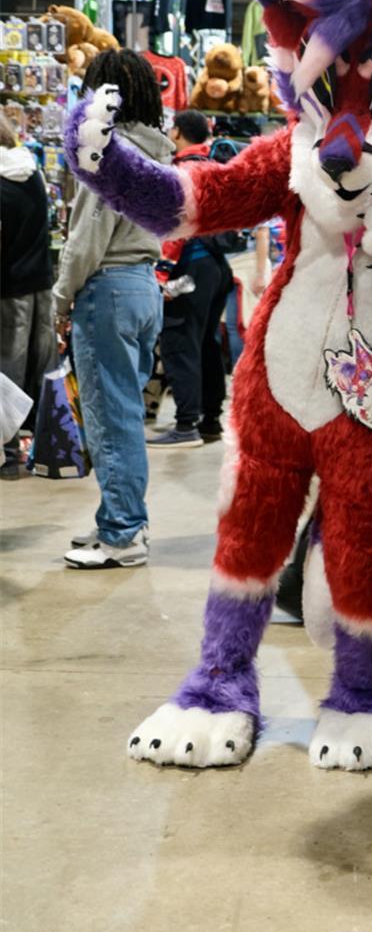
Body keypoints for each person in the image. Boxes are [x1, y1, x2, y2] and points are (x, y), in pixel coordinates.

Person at [55, 49, 166, 568]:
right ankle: (122, 521)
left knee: (110, 419)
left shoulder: (107, 151)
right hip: (143, 285)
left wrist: (61, 298)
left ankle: (122, 534)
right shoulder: (158, 152)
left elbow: (86, 240)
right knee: (123, 415)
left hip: (108, 289)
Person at [147, 108, 234, 447]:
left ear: (178, 133)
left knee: (179, 340)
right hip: (216, 267)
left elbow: (175, 228)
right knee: (208, 342)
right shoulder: (214, 167)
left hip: (189, 268)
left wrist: (161, 274)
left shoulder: (181, 171)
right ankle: (210, 420)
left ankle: (186, 425)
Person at [0, 113, 56, 479]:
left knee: (8, 371)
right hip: (41, 283)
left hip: (10, 289)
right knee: (41, 366)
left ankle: (6, 452)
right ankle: (47, 444)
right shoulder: (31, 171)